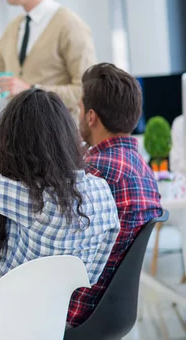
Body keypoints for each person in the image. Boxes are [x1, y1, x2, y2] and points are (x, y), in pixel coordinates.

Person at [0, 39, 119, 291]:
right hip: (51, 318)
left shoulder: (28, 200)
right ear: (66, 133)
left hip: (4, 314)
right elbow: (90, 277)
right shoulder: (101, 191)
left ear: (13, 144)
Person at [69, 63, 163, 328]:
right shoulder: (143, 168)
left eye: (78, 108)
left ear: (90, 117)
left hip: (76, 312)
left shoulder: (96, 172)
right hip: (113, 311)